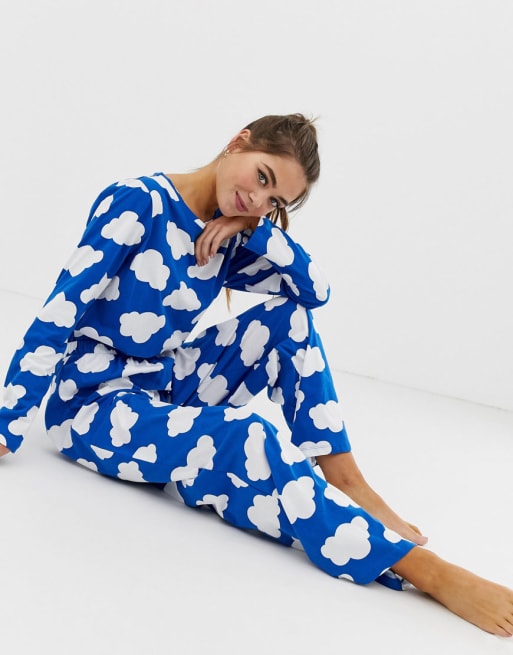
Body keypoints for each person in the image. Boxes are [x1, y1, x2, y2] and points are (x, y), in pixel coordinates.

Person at [0, 113, 512, 636]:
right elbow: (60, 312)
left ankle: (345, 478)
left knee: (288, 318)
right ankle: (419, 568)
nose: (257, 200)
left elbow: (314, 292)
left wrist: (255, 230)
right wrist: (7, 422)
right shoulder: (137, 203)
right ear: (237, 142)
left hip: (166, 381)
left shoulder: (232, 231)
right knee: (245, 435)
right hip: (94, 406)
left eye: (274, 201)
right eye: (262, 177)